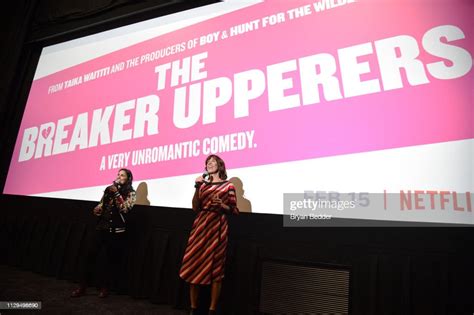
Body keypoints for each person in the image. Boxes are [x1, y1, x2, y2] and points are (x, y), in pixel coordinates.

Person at [179, 155, 239, 315]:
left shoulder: (229, 186)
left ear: (220, 165)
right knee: (193, 263)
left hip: (217, 227)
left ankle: (212, 309)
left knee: (216, 268)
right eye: (207, 163)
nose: (209, 164)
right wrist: (197, 187)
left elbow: (235, 210)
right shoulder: (202, 185)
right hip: (200, 226)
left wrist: (223, 205)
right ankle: (193, 307)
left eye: (213, 162)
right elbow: (195, 207)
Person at [71, 168, 136, 298]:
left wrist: (117, 194)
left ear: (128, 178)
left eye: (122, 175)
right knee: (90, 257)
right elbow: (102, 204)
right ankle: (82, 286)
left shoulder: (131, 193)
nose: (119, 176)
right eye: (118, 174)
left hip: (115, 231)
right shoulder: (109, 189)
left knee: (110, 261)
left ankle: (105, 288)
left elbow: (125, 209)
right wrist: (98, 209)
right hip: (101, 227)